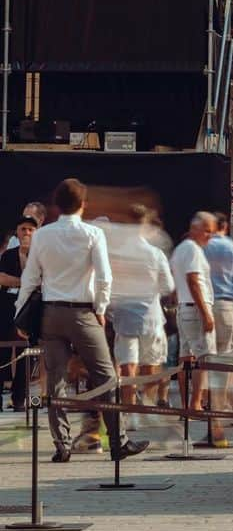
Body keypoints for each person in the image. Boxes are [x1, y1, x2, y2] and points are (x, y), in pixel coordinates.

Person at [16, 178, 147, 464]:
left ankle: (61, 445)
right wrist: (100, 308)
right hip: (83, 312)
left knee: (56, 381)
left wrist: (20, 312)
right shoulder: (92, 234)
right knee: (105, 377)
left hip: (50, 313)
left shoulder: (42, 236)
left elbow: (30, 278)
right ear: (83, 205)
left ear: (56, 205)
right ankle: (118, 441)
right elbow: (104, 277)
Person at [103, 205, 173, 432]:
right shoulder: (155, 253)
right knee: (151, 364)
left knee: (127, 366)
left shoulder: (116, 254)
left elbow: (108, 284)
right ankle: (146, 403)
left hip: (124, 316)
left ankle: (130, 413)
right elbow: (168, 286)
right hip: (151, 316)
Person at [171, 211, 221, 447]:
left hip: (184, 307)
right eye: (208, 230)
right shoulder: (192, 249)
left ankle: (186, 403)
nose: (210, 236)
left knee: (185, 356)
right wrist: (205, 312)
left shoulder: (181, 248)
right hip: (194, 308)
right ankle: (196, 403)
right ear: (197, 228)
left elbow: (177, 282)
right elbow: (193, 280)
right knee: (205, 357)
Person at [205, 212, 233, 412]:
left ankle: (203, 400)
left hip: (204, 304)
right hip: (227, 306)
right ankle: (220, 403)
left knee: (205, 355)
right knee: (226, 355)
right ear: (226, 226)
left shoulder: (201, 247)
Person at [0, 216, 39, 411]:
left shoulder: (40, 255)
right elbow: (2, 278)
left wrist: (18, 281)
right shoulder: (8, 255)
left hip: (30, 306)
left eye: (31, 230)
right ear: (17, 231)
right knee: (3, 352)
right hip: (6, 304)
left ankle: (20, 400)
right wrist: (25, 282)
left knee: (27, 353)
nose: (26, 233)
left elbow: (42, 281)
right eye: (23, 229)